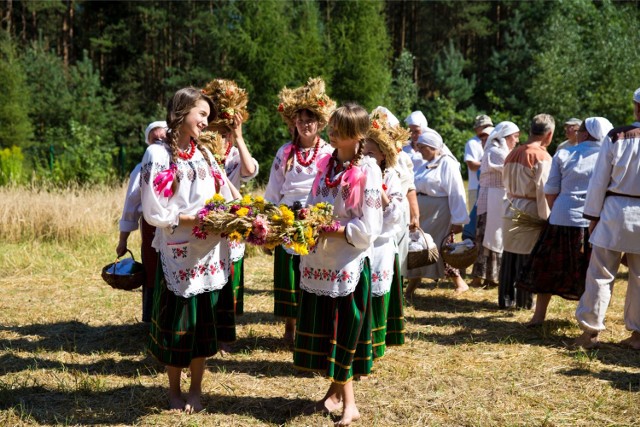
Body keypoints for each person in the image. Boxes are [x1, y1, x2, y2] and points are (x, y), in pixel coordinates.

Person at [140, 87, 240, 412]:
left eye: (208, 117)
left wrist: (241, 214)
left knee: (200, 328)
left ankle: (195, 389)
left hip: (208, 254)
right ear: (183, 112)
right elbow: (153, 211)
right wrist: (192, 217)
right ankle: (173, 390)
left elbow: (226, 192)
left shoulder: (204, 155)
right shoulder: (158, 155)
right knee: (177, 326)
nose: (206, 123)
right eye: (202, 115)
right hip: (178, 254)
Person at [293, 103, 382, 425]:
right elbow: (315, 202)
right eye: (332, 126)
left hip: (348, 264)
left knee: (343, 332)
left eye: (340, 129)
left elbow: (370, 227)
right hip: (320, 260)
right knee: (330, 332)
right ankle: (334, 394)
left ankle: (350, 405)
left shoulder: (367, 169)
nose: (332, 132)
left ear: (357, 135)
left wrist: (335, 229)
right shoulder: (326, 164)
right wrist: (303, 222)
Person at [517, 117, 612, 326]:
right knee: (591, 273)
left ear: (586, 133)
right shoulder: (608, 156)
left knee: (548, 268)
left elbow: (550, 191)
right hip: (593, 222)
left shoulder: (565, 153)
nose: (576, 133)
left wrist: (560, 212)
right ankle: (589, 322)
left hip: (561, 218)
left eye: (579, 130)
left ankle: (538, 316)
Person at [264, 77, 336, 343]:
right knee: (290, 275)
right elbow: (274, 189)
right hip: (286, 219)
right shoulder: (285, 152)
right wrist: (269, 222)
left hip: (313, 220)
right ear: (293, 122)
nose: (305, 125)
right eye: (301, 120)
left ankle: (311, 325)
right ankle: (290, 327)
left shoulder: (329, 153)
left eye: (310, 120)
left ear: (319, 124)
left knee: (312, 272)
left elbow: (331, 188)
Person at [574, 88, 640, 350]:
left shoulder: (617, 136)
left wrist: (592, 217)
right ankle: (638, 337)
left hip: (615, 212)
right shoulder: (615, 136)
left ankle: (589, 334)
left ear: (636, 107)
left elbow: (599, 181)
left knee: (600, 273)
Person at [202, 79, 258, 349]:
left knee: (227, 281)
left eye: (225, 131)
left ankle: (223, 337)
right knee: (207, 277)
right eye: (217, 130)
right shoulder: (200, 152)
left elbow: (249, 171)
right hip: (205, 220)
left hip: (230, 221)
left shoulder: (235, 152)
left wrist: (239, 137)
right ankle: (206, 333)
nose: (221, 135)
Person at [405, 128, 470, 298]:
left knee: (433, 247)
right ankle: (412, 285)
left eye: (422, 147)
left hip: (439, 213)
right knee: (419, 247)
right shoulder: (423, 163)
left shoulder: (447, 163)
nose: (419, 150)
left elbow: (456, 191)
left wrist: (458, 219)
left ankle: (459, 283)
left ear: (433, 147)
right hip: (425, 213)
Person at [499, 114, 554, 309]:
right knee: (527, 255)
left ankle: (506, 299)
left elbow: (504, 181)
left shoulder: (512, 153)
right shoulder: (541, 156)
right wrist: (547, 218)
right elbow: (543, 189)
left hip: (510, 205)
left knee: (510, 253)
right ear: (548, 134)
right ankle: (523, 301)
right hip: (530, 208)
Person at [362, 114, 405, 359]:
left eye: (371, 153)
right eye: (363, 152)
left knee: (377, 293)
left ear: (382, 155)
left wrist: (378, 188)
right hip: (361, 241)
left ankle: (376, 346)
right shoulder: (357, 172)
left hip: (381, 245)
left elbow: (395, 216)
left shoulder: (390, 177)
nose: (366, 158)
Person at [116, 120, 167, 322]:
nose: (160, 142)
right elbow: (131, 206)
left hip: (179, 227)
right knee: (154, 271)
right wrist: (123, 241)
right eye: (155, 139)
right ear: (148, 143)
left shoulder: (180, 162)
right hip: (152, 227)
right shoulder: (141, 168)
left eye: (164, 138)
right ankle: (153, 319)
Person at [469, 122, 519, 288]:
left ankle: (491, 277)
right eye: (515, 136)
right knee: (487, 237)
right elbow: (512, 172)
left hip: (497, 198)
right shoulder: (497, 151)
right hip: (492, 199)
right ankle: (482, 277)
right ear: (505, 136)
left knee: (494, 237)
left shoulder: (500, 150)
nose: (517, 140)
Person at [464, 114, 493, 209]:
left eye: (489, 126)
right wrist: (491, 165)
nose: (487, 128)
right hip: (476, 187)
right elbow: (471, 165)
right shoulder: (472, 143)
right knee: (476, 220)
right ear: (476, 129)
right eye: (484, 126)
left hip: (491, 187)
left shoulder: (494, 141)